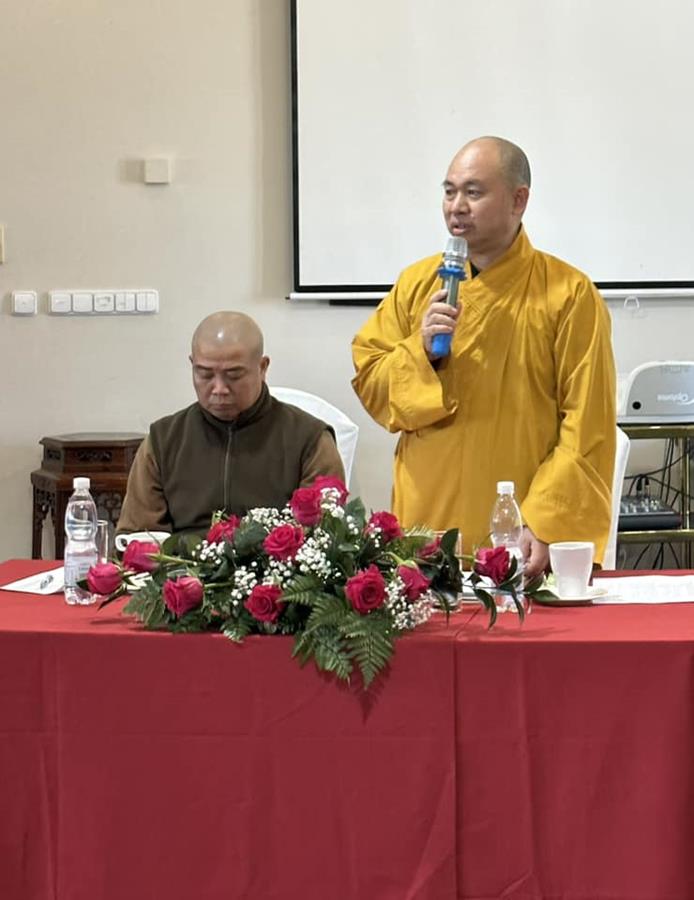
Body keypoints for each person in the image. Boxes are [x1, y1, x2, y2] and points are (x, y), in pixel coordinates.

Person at [351, 136, 616, 577]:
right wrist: (420, 352)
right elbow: (372, 381)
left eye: (473, 192)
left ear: (518, 200)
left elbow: (588, 424)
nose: (456, 206)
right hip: (427, 513)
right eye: (449, 191)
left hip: (521, 521)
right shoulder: (417, 284)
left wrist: (546, 520)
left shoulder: (568, 294)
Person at [117, 311, 344, 534]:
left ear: (262, 367)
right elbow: (138, 536)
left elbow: (324, 537)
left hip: (275, 558)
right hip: (179, 558)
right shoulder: (164, 441)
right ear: (192, 365)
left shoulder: (309, 440)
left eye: (234, 375)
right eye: (205, 374)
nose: (219, 389)